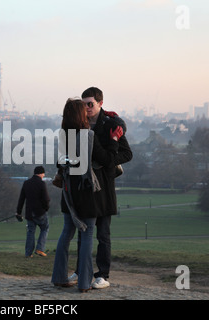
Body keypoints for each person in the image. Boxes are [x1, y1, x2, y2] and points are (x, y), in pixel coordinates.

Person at [51, 98, 121, 292]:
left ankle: (58, 277)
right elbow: (107, 159)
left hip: (68, 191)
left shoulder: (63, 135)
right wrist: (114, 141)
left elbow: (60, 163)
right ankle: (83, 283)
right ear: (81, 115)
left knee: (66, 233)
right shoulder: (88, 135)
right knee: (88, 234)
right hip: (87, 193)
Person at [69, 87, 133, 289]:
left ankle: (103, 274)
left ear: (100, 103)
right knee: (83, 231)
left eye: (90, 104)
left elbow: (127, 154)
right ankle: (81, 270)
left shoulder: (111, 124)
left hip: (104, 184)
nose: (87, 107)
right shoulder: (80, 123)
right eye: (84, 103)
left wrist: (109, 162)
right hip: (84, 184)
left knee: (103, 234)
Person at [16, 166, 50, 257]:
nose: (43, 175)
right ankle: (39, 249)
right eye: (43, 174)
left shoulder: (26, 183)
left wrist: (18, 212)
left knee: (31, 232)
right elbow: (46, 199)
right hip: (40, 212)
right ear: (40, 173)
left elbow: (21, 199)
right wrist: (46, 208)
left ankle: (28, 253)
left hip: (29, 213)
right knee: (45, 228)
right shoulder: (42, 184)